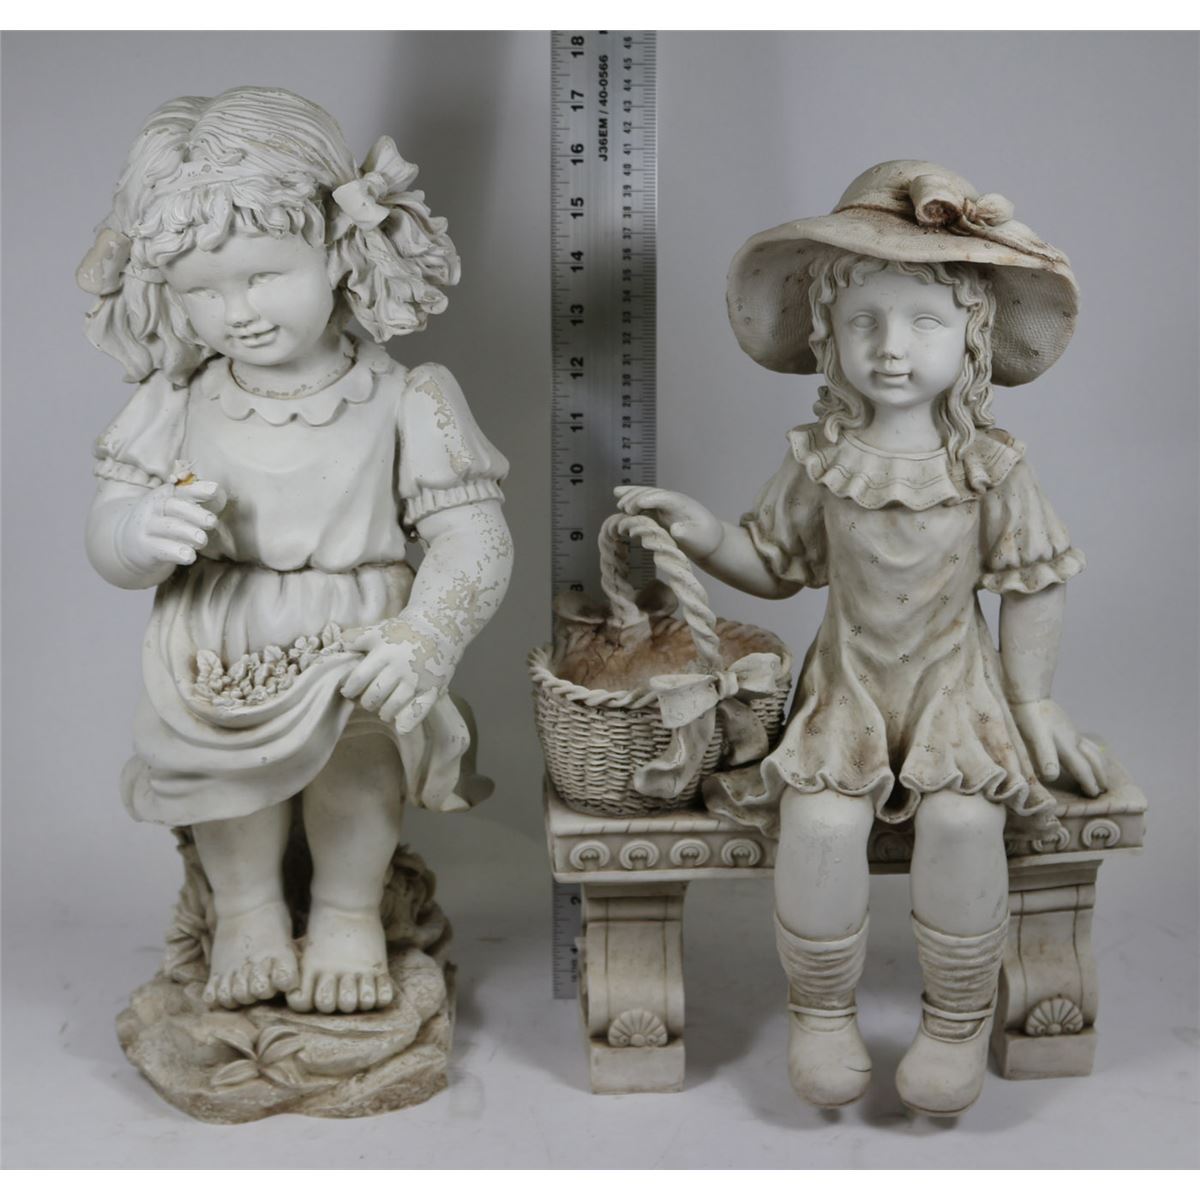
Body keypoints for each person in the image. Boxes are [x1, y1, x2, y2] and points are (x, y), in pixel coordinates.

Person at [617, 160, 1106, 1116]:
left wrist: (1032, 701)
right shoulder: (821, 459)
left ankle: (954, 1023)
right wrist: (704, 533)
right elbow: (776, 564)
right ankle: (822, 1014)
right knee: (821, 824)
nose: (891, 348)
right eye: (864, 322)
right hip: (847, 689)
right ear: (826, 336)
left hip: (954, 689)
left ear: (971, 335)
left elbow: (1033, 583)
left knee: (965, 823)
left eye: (924, 322)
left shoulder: (989, 465)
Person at [81, 87, 512, 1017]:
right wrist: (134, 534)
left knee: (358, 771)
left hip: (356, 634)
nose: (235, 311)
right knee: (224, 784)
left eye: (263, 276)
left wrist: (426, 637)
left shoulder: (408, 398)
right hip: (219, 636)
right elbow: (108, 530)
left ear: (337, 250)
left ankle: (350, 914)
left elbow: (472, 537)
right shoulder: (176, 398)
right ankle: (247, 913)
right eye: (202, 291)